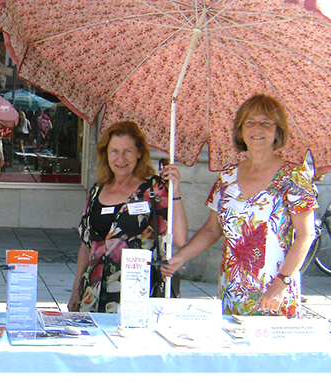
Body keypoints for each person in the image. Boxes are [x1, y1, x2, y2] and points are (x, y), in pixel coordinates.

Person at [162, 94, 317, 317]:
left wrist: (281, 284)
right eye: (250, 122)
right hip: (232, 292)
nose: (258, 128)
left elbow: (305, 235)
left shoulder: (294, 176)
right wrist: (180, 257)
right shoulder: (227, 176)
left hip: (274, 295)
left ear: (277, 131)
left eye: (266, 122)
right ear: (241, 130)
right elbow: (211, 229)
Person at [68, 120, 188, 312]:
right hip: (92, 295)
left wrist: (175, 191)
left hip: (135, 296)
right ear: (106, 154)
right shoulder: (97, 191)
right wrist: (76, 291)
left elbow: (180, 238)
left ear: (139, 153)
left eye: (128, 151)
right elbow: (86, 245)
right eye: (114, 151)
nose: (120, 158)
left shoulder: (153, 189)